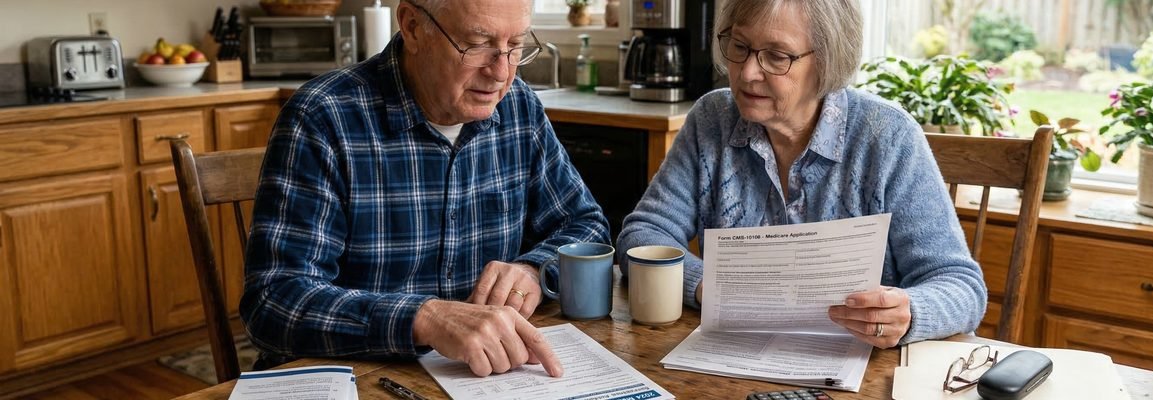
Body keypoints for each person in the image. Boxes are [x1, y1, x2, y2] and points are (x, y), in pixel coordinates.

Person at [241, 0, 609, 378]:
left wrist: (533, 267)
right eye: (477, 44)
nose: (501, 72)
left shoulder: (519, 108)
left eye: (516, 45)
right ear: (414, 27)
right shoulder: (324, 117)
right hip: (353, 378)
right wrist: (424, 318)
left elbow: (585, 224)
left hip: (485, 377)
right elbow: (273, 302)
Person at [616, 0, 986, 348]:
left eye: (776, 56)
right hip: (730, 357)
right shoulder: (712, 119)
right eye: (739, 46)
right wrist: (706, 287)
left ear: (827, 61)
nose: (747, 73)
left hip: (857, 371)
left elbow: (961, 287)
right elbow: (643, 234)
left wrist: (909, 313)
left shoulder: (886, 136)